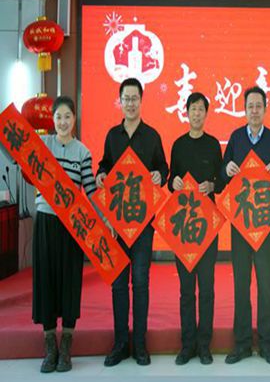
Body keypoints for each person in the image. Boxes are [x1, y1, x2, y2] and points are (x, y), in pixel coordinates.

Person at [97, 78, 169, 367]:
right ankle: (120, 344)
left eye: (134, 98)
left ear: (141, 100)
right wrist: (101, 174)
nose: (130, 103)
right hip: (116, 224)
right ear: (120, 101)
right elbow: (104, 164)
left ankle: (139, 344)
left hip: (143, 224)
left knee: (140, 282)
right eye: (125, 98)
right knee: (118, 284)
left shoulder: (151, 136)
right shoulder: (112, 136)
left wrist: (159, 176)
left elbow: (163, 168)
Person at [221, 86, 270, 365]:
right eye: (250, 106)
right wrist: (227, 169)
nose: (255, 110)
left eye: (259, 106)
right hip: (240, 224)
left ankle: (267, 344)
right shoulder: (236, 138)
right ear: (245, 109)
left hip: (264, 224)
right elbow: (223, 176)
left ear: (265, 109)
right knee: (241, 284)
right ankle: (242, 344)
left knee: (266, 285)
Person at [32, 96, 96, 373]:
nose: (63, 122)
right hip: (45, 221)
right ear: (53, 119)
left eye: (67, 116)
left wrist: (104, 218)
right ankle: (50, 347)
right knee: (45, 281)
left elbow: (90, 190)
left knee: (70, 282)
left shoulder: (83, 152)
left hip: (73, 226)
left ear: (74, 119)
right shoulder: (41, 145)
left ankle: (66, 347)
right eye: (58, 117)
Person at [168, 92, 223, 366]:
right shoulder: (178, 145)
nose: (197, 113)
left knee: (207, 288)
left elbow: (221, 182)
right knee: (186, 289)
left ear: (206, 114)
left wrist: (212, 185)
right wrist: (174, 183)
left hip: (207, 226)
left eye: (201, 109)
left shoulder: (213, 145)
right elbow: (170, 181)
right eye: (193, 109)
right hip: (184, 227)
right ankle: (187, 345)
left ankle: (204, 345)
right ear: (187, 112)